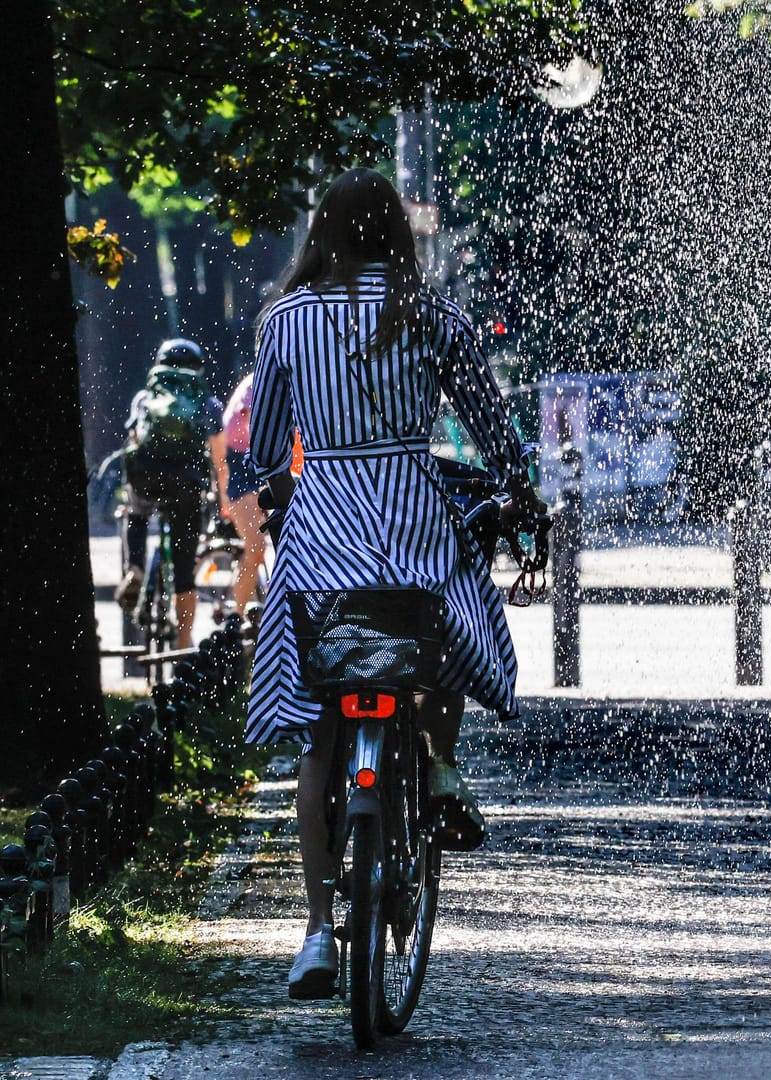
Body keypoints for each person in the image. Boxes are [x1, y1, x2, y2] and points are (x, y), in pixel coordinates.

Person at [243, 168, 542, 1000]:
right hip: (414, 516)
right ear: (397, 234)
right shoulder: (430, 314)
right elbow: (489, 419)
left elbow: (264, 451)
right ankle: (440, 764)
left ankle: (311, 933)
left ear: (324, 233)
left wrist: (280, 495)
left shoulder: (286, 323)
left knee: (319, 738)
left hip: (324, 538)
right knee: (444, 621)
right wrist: (517, 485)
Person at [115, 337, 225, 645]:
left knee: (134, 510)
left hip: (146, 479)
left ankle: (134, 567)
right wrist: (222, 501)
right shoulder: (206, 402)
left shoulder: (145, 397)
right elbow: (219, 460)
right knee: (184, 565)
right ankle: (184, 640)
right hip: (186, 485)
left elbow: (134, 439)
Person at [211, 370, 268, 609]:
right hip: (244, 470)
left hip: (253, 467)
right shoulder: (261, 382)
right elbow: (248, 422)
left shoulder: (259, 380)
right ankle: (238, 615)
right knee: (256, 548)